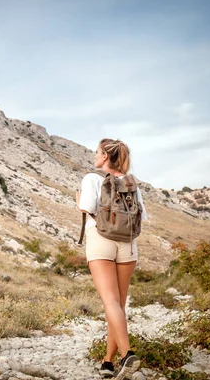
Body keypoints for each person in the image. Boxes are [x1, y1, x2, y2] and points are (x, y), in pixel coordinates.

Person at [76, 138, 147, 380]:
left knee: (110, 302)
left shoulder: (92, 179)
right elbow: (143, 216)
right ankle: (108, 362)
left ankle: (127, 354)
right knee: (117, 305)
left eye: (97, 152)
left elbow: (86, 207)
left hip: (101, 241)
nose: (94, 156)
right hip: (128, 245)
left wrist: (78, 201)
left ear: (105, 157)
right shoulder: (131, 183)